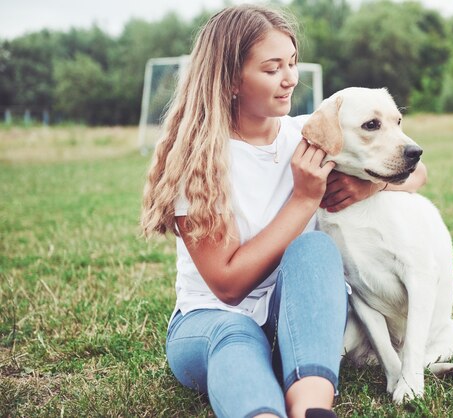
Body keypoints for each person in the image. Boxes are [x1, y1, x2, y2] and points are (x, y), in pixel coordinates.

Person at [140, 5, 427, 418]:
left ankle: (312, 408)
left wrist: (368, 185)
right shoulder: (198, 161)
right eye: (272, 68)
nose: (290, 77)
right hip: (212, 322)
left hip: (293, 319)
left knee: (314, 249)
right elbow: (227, 285)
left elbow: (416, 171)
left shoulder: (308, 134)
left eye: (291, 63)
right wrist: (304, 200)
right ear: (232, 80)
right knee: (234, 334)